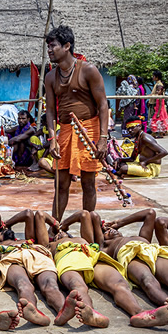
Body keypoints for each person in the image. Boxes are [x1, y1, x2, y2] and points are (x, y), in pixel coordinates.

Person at [43, 210, 168, 328]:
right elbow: (39, 216)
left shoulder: (87, 241)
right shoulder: (49, 245)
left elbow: (84, 214)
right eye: (57, 234)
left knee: (119, 284)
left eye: (64, 232)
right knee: (78, 286)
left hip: (94, 256)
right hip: (70, 257)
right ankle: (90, 312)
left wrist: (63, 225)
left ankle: (139, 313)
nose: (61, 234)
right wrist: (55, 226)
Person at [43, 26, 110, 219]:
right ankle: (55, 226)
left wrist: (103, 138)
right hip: (64, 131)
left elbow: (103, 104)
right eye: (48, 46)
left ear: (66, 46)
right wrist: (52, 139)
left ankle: (88, 225)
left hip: (89, 129)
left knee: (88, 183)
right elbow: (50, 110)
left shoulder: (88, 70)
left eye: (53, 46)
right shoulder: (50, 77)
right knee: (61, 183)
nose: (49, 50)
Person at [0, 209, 54, 326]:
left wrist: (7, 224)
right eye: (1, 231)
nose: (5, 230)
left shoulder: (29, 240)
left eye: (7, 230)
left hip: (34, 255)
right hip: (12, 259)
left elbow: (27, 213)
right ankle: (34, 312)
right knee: (23, 284)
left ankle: (64, 310)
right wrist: (1, 226)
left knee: (51, 285)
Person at [149, 70, 168, 135]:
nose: (152, 77)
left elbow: (159, 98)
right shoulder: (157, 84)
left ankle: (158, 132)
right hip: (156, 105)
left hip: (157, 106)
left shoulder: (159, 85)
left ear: (157, 77)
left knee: (157, 120)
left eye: (153, 76)